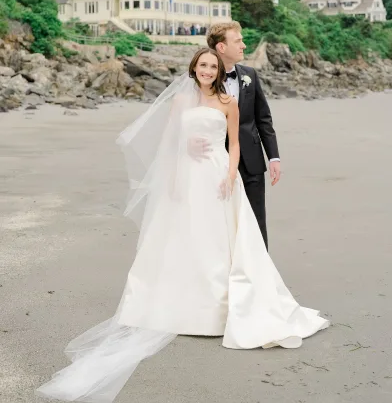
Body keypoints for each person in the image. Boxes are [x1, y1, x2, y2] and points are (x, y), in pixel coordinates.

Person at [36, 48, 329, 403]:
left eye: (212, 66)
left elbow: (234, 144)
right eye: (202, 65)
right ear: (194, 69)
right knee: (186, 238)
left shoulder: (227, 101)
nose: (207, 70)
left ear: (219, 71)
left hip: (218, 174)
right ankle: (185, 301)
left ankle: (219, 308)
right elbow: (169, 142)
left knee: (220, 240)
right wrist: (175, 175)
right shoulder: (181, 102)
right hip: (188, 177)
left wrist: (229, 173)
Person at [196, 21, 279, 250]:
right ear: (221, 47)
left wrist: (273, 157)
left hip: (252, 161)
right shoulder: (203, 79)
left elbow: (263, 118)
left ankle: (260, 273)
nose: (243, 45)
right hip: (216, 163)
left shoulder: (250, 75)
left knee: (256, 220)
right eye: (238, 40)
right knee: (221, 220)